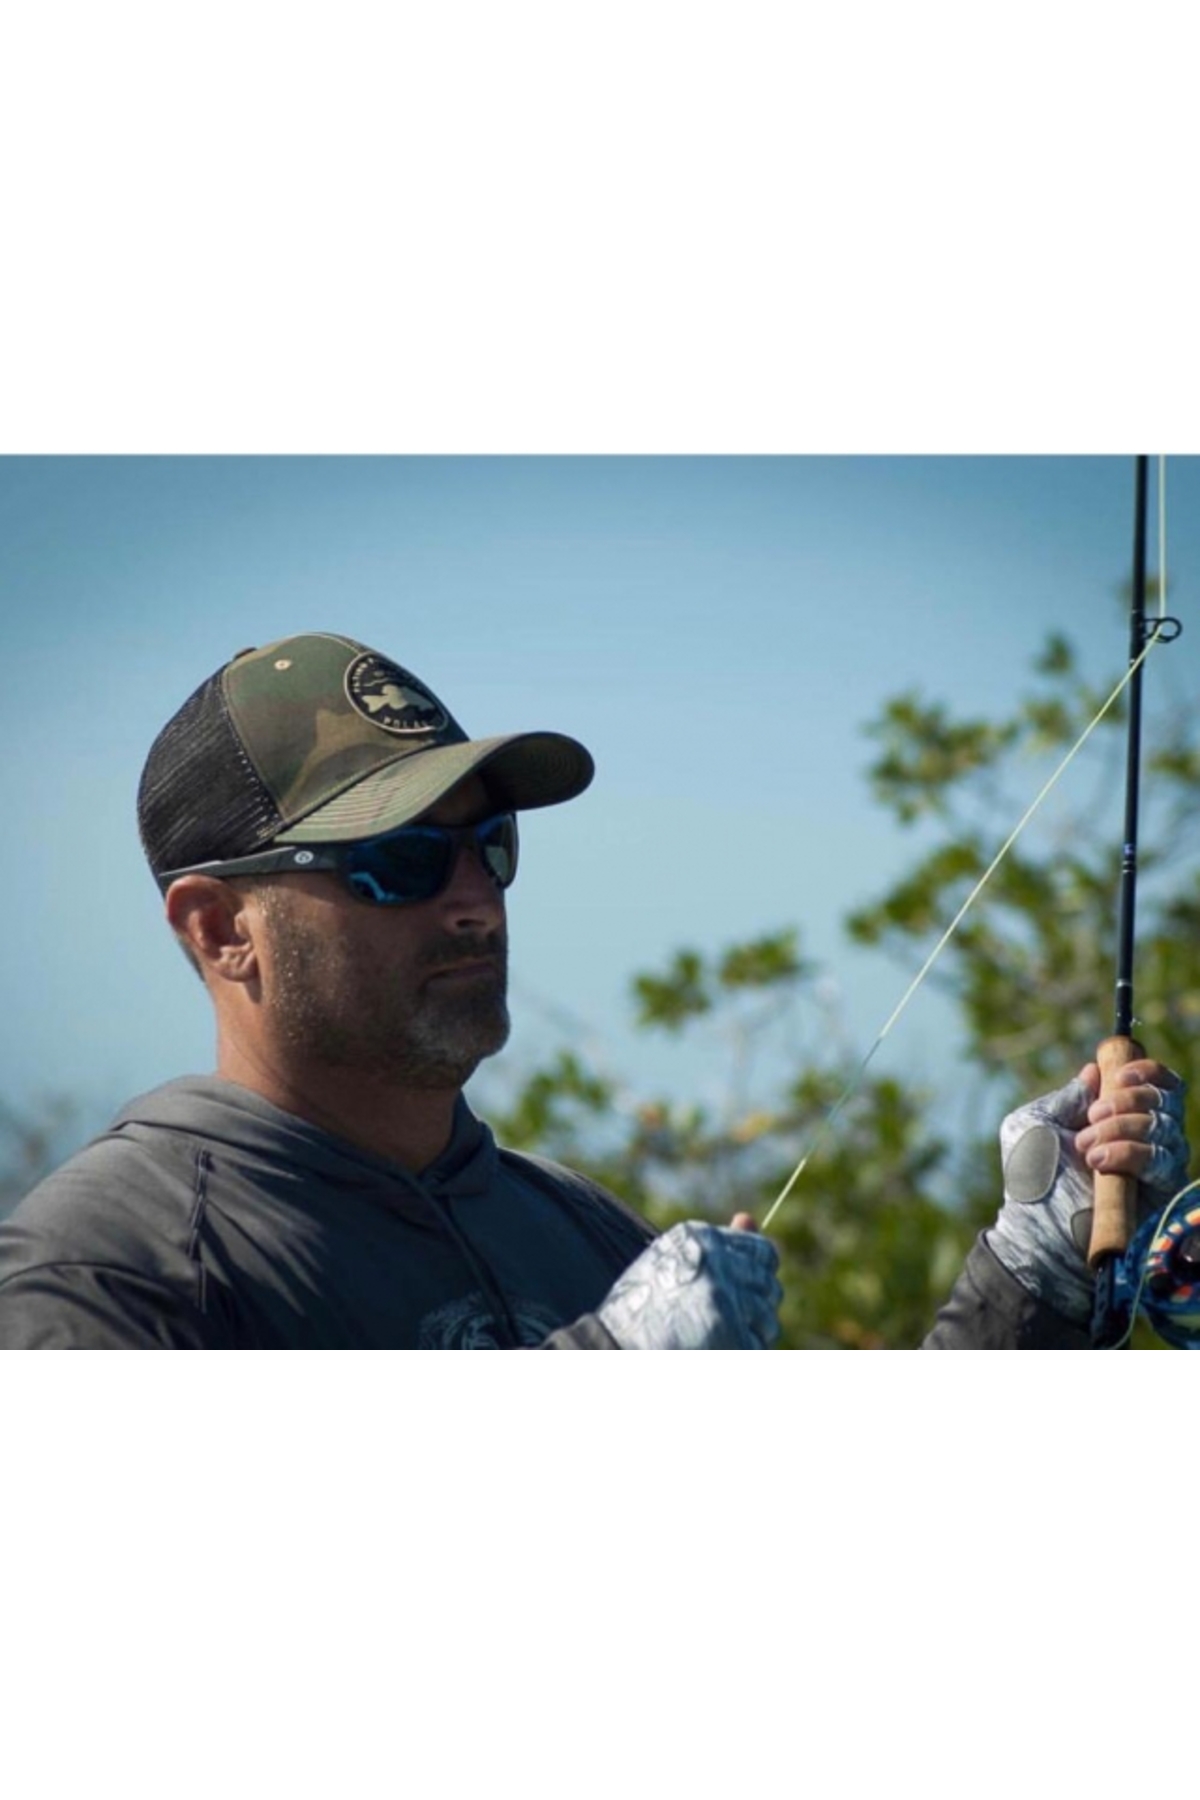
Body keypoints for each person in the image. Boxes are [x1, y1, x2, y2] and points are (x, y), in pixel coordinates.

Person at [0, 633, 1187, 1349]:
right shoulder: (103, 1270)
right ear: (221, 931)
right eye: (401, 860)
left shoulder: (581, 1229)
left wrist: (1030, 1277)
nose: (475, 898)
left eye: (490, 845)